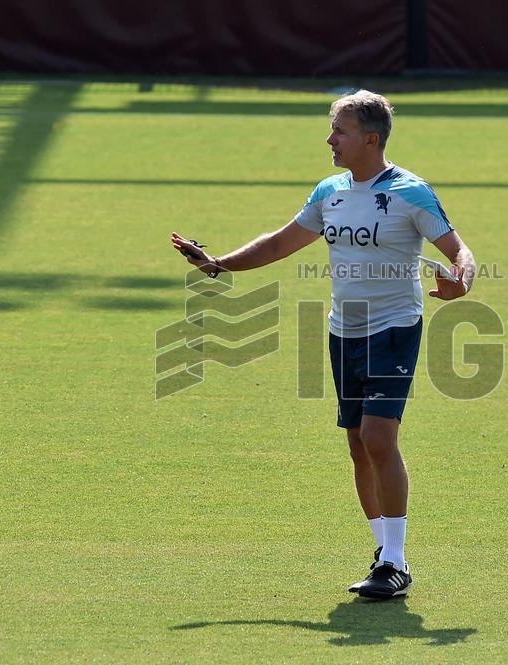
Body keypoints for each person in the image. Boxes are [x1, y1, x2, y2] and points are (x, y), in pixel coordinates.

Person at [172, 90, 476, 599]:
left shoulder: (411, 192)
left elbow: (458, 250)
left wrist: (461, 280)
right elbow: (280, 241)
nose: (330, 139)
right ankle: (383, 553)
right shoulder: (330, 190)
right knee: (358, 445)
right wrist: (218, 263)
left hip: (394, 327)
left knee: (380, 438)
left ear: (370, 139)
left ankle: (398, 564)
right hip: (342, 330)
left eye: (340, 130)